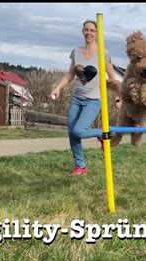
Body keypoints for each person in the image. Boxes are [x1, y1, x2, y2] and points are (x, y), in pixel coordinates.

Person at [50, 19, 117, 176]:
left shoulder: (104, 53)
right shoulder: (76, 52)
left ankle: (102, 133)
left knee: (79, 131)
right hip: (76, 98)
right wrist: (57, 88)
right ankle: (80, 166)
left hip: (94, 100)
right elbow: (70, 74)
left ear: (97, 33)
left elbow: (112, 77)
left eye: (92, 30)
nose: (89, 33)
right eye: (86, 29)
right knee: (72, 132)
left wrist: (117, 97)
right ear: (82, 31)